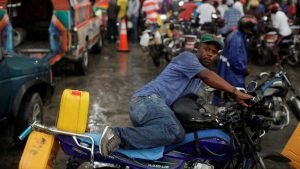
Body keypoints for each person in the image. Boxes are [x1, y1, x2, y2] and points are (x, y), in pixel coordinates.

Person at [99, 33, 253, 157]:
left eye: (214, 52)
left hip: (156, 110)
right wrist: (234, 91)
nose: (210, 55)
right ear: (198, 48)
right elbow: (209, 76)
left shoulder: (198, 78)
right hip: (146, 101)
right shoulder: (188, 58)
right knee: (175, 132)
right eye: (207, 49)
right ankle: (117, 135)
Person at [213, 15, 257, 106]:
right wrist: (244, 69)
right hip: (231, 73)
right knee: (236, 99)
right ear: (246, 28)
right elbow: (235, 60)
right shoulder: (237, 39)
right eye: (251, 28)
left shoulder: (239, 35)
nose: (252, 31)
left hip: (229, 72)